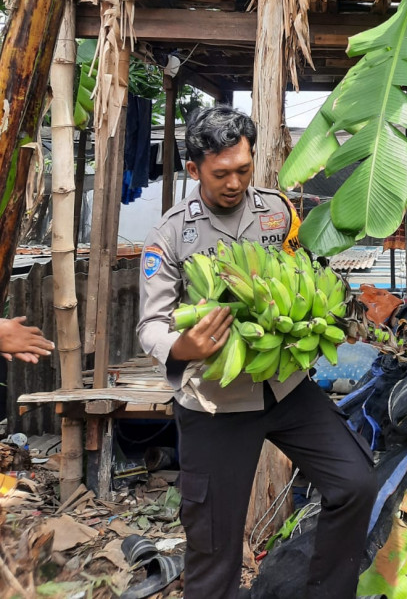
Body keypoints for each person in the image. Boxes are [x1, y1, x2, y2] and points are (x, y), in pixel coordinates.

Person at [137, 106, 376, 599]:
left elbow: (307, 269)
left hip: (286, 388)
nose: (234, 183)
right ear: (194, 170)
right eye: (221, 173)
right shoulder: (169, 235)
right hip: (214, 400)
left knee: (355, 483)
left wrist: (331, 312)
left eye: (243, 170)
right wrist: (183, 346)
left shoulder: (277, 210)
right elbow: (150, 326)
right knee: (214, 544)